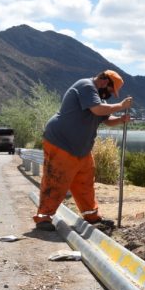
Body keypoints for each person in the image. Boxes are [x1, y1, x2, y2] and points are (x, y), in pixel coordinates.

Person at [33, 70, 132, 231]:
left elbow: (106, 119)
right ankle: (44, 217)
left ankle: (91, 216)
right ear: (104, 82)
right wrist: (121, 106)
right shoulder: (86, 86)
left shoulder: (98, 98)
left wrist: (121, 119)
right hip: (61, 142)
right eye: (110, 91)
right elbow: (97, 110)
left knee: (85, 182)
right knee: (56, 180)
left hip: (81, 149)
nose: (110, 96)